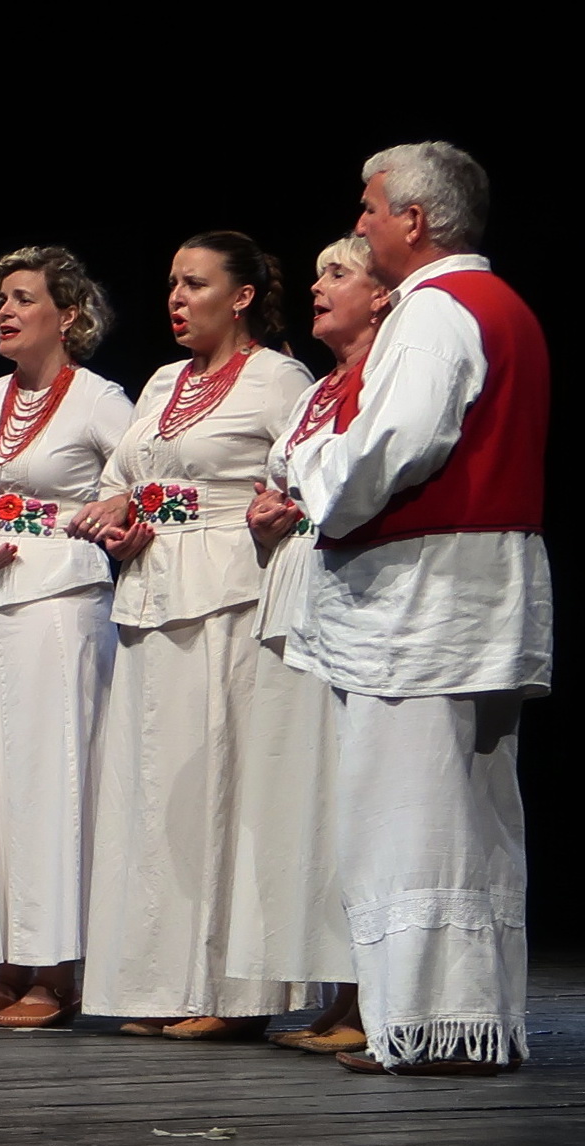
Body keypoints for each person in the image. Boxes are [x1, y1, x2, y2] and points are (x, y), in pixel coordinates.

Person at [285, 143, 549, 1076]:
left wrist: (307, 473)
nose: (360, 224)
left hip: (423, 598)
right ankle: (467, 1022)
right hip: (474, 588)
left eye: (370, 209)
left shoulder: (436, 310)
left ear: (416, 219)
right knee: (469, 816)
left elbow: (391, 444)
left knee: (407, 810)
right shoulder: (499, 303)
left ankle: (429, 1026)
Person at [80, 231, 314, 1041]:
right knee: (153, 792)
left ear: (242, 296)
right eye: (173, 284)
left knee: (221, 784)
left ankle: (229, 989)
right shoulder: (161, 382)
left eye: (196, 284)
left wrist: (268, 520)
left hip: (228, 593)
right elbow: (121, 479)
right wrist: (117, 517)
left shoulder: (280, 378)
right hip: (151, 593)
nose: (177, 299)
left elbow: (305, 479)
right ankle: (156, 983)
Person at [0, 249, 132, 1027]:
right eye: (0, 299)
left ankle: (58, 968)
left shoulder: (100, 400)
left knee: (49, 776)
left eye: (22, 298)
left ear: (67, 315)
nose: (4, 312)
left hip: (58, 600)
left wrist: (112, 507)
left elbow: (141, 477)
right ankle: (7, 966)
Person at [233, 236, 389, 1056]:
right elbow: (281, 483)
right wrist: (266, 520)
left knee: (348, 791)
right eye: (320, 274)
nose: (319, 287)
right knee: (305, 797)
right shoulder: (318, 390)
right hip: (293, 590)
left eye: (340, 274)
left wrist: (302, 509)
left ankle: (372, 990)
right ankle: (337, 990)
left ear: (383, 294)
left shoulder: (386, 378)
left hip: (351, 591)